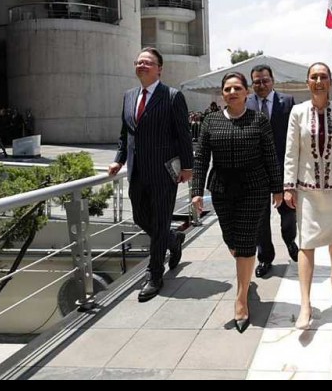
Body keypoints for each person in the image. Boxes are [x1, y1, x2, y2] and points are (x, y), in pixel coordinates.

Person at [191, 72, 283, 333]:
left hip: (254, 188)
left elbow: (270, 155)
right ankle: (245, 273)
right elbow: (201, 157)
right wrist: (196, 191)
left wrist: (277, 188)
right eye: (227, 89)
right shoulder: (211, 120)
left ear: (246, 93)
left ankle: (241, 299)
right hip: (222, 189)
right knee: (232, 241)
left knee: (245, 242)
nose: (232, 93)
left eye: (237, 88)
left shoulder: (258, 120)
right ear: (223, 94)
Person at [108, 47, 194, 302]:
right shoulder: (129, 96)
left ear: (159, 69)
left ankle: (154, 275)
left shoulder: (172, 96)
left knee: (158, 222)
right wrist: (118, 160)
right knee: (140, 217)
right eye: (139, 62)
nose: (142, 65)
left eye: (147, 62)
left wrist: (187, 167)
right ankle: (173, 239)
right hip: (137, 171)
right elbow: (126, 134)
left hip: (163, 172)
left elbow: (183, 134)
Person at [284, 62, 332, 330]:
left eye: (323, 76)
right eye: (314, 77)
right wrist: (288, 186)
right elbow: (291, 151)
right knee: (306, 243)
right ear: (307, 82)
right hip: (307, 188)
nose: (319, 81)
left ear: (330, 82)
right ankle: (305, 304)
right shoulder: (297, 112)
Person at [245, 63, 298, 277]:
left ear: (272, 81)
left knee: (288, 213)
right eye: (257, 82)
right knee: (260, 218)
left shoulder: (288, 102)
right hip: (255, 169)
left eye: (265, 80)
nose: (261, 85)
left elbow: (295, 136)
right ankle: (265, 257)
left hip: (282, 167)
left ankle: (290, 240)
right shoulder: (246, 103)